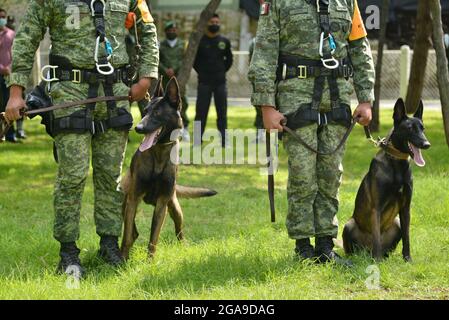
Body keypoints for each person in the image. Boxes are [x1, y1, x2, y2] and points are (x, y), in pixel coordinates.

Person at [5, 0, 159, 276]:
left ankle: (109, 244)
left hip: (115, 91)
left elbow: (147, 30)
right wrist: (16, 91)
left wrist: (147, 77)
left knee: (110, 175)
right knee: (72, 175)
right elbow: (28, 35)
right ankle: (68, 252)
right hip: (69, 92)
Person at [248, 0, 374, 263]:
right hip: (296, 96)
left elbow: (360, 48)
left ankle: (326, 245)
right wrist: (267, 106)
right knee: (303, 175)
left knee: (331, 174)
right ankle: (303, 246)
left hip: (338, 96)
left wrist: (365, 98)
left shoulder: (346, 2)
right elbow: (264, 52)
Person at [193, 13, 233, 147]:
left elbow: (229, 60)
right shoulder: (200, 41)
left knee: (222, 113)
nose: (215, 24)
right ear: (206, 24)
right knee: (201, 113)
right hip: (204, 83)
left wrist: (220, 71)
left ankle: (224, 141)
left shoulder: (224, 41)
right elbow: (194, 62)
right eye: (212, 22)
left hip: (220, 83)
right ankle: (197, 141)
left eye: (217, 22)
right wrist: (203, 73)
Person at [159, 20, 190, 141]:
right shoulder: (161, 45)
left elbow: (186, 59)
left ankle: (184, 127)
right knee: (166, 102)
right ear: (166, 31)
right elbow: (158, 60)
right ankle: (168, 128)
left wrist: (175, 69)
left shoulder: (183, 44)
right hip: (165, 78)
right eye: (170, 30)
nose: (172, 32)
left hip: (179, 77)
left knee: (182, 101)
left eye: (174, 30)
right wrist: (165, 69)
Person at [0, 8, 18, 143]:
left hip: (9, 75)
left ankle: (11, 134)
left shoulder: (11, 34)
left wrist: (9, 68)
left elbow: (17, 54)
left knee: (9, 105)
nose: (2, 19)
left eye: (3, 17)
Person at [248, 36, 264, 143]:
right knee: (259, 107)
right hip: (258, 79)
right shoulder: (253, 42)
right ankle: (259, 134)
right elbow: (250, 61)